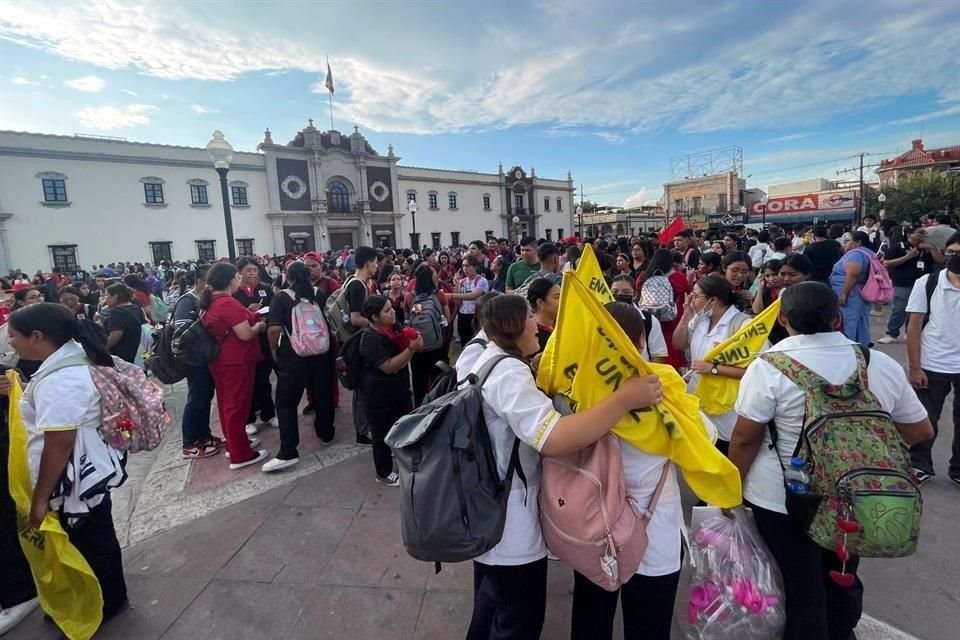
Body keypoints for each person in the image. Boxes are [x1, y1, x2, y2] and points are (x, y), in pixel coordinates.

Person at [729, 282, 933, 640]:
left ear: (782, 319)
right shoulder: (876, 363)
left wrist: (731, 487)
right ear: (838, 319)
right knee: (842, 570)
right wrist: (863, 451)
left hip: (783, 497)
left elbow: (746, 437)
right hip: (856, 496)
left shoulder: (768, 367)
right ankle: (842, 632)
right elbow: (920, 431)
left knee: (800, 582)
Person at [465, 294, 663, 640]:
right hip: (509, 521)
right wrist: (625, 399)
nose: (537, 323)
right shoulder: (508, 372)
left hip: (491, 509)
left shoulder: (487, 358)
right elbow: (554, 437)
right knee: (518, 620)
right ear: (514, 326)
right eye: (529, 316)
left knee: (491, 605)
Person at [3, 304, 133, 620]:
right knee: (94, 534)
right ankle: (105, 596)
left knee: (91, 538)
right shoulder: (69, 358)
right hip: (88, 466)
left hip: (76, 475)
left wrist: (40, 499)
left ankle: (107, 602)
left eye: (14, 336)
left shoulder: (59, 379)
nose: (10, 344)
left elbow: (58, 445)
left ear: (37, 336)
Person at [569, 301, 683, 640]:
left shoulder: (576, 389)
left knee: (591, 620)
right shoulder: (664, 386)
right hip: (654, 531)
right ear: (639, 341)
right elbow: (701, 437)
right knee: (649, 626)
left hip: (593, 528)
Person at [262, 262, 336, 473]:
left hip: (293, 357)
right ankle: (326, 432)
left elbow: (274, 329)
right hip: (321, 353)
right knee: (323, 394)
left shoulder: (282, 297)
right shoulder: (318, 294)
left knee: (285, 403)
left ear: (288, 276)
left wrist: (274, 352)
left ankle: (288, 451)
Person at [672, 274, 752, 455]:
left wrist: (713, 369)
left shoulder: (742, 325)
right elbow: (678, 344)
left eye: (695, 296)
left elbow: (753, 370)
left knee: (721, 448)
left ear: (713, 300)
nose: (691, 300)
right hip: (697, 395)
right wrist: (686, 316)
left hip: (725, 403)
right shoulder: (701, 318)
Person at [200, 263, 269, 470]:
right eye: (237, 276)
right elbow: (245, 334)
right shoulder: (226, 303)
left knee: (227, 405)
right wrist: (260, 325)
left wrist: (249, 315)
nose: (240, 279)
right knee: (237, 407)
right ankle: (241, 455)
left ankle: (235, 443)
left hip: (221, 361)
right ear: (230, 279)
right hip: (236, 361)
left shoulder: (212, 301)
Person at [905, 231, 960, 486]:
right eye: (952, 252)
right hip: (933, 363)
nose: (955, 258)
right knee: (926, 418)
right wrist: (915, 368)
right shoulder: (928, 283)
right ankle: (920, 464)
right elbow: (914, 327)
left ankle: (957, 469)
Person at [357, 295, 424, 486]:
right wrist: (411, 350)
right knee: (380, 433)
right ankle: (383, 472)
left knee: (403, 424)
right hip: (378, 392)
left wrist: (415, 342)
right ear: (374, 317)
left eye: (391, 308)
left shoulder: (394, 327)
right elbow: (389, 366)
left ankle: (402, 458)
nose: (393, 311)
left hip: (399, 387)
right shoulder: (369, 338)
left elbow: (412, 344)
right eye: (387, 311)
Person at [172, 267, 223, 459]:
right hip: (194, 359)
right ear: (201, 282)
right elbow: (183, 330)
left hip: (205, 357)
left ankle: (204, 436)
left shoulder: (203, 299)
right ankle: (189, 442)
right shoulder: (187, 300)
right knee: (196, 398)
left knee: (205, 396)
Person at [233, 257, 277, 437]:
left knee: (264, 378)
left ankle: (268, 413)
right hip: (244, 340)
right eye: (248, 270)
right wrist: (247, 311)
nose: (252, 273)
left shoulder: (265, 288)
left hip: (263, 339)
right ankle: (248, 419)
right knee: (246, 382)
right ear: (240, 272)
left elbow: (274, 308)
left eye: (254, 270)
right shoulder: (235, 292)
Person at [878, 226, 941, 344]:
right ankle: (892, 333)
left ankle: (911, 332)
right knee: (899, 309)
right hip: (903, 283)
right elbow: (887, 262)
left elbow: (940, 260)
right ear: (909, 235)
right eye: (919, 233)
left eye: (924, 233)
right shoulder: (899, 246)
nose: (923, 235)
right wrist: (908, 257)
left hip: (923, 284)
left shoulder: (927, 248)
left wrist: (932, 248)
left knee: (920, 310)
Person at [345, 246, 381, 447]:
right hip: (357, 342)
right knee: (361, 389)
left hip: (358, 340)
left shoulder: (356, 282)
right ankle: (363, 431)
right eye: (375, 262)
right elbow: (355, 318)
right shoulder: (358, 285)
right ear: (368, 262)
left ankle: (365, 426)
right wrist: (378, 324)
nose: (376, 266)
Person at [404, 264, 452, 406]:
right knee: (439, 380)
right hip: (437, 345)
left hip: (418, 346)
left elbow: (407, 323)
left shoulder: (409, 297)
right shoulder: (439, 295)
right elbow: (447, 319)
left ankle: (420, 409)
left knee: (419, 382)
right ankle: (440, 406)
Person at [610, 275, 668, 362]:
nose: (619, 295)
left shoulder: (649, 320)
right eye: (615, 292)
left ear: (635, 294)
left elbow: (658, 355)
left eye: (626, 292)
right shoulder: (600, 315)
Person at [830, 231, 873, 347]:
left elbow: (853, 273)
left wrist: (844, 293)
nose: (844, 244)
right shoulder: (868, 253)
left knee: (848, 321)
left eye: (847, 241)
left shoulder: (855, 254)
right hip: (859, 292)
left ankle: (848, 347)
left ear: (858, 242)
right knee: (860, 321)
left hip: (851, 293)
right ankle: (861, 346)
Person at [103, 283, 147, 364]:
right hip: (137, 350)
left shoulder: (118, 313)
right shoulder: (135, 307)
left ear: (115, 297)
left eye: (106, 296)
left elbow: (115, 337)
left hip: (122, 355)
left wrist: (103, 349)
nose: (104, 299)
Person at [451, 255, 489, 344]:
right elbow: (457, 302)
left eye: (468, 266)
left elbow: (474, 295)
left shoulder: (482, 281)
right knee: (464, 342)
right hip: (463, 315)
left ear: (475, 266)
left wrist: (452, 295)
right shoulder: (462, 282)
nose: (465, 269)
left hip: (476, 315)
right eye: (463, 266)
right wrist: (456, 285)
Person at [526, 278, 560, 352]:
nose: (562, 301)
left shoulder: (558, 325)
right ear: (540, 302)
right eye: (557, 297)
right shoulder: (534, 335)